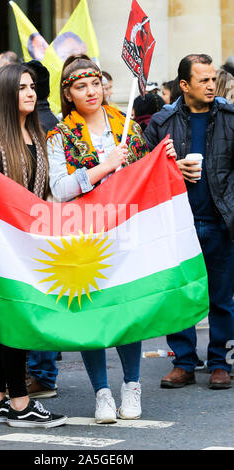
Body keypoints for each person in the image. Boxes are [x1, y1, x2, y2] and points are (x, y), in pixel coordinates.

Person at [46, 54, 176, 423]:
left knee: (126, 310)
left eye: (96, 83)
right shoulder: (59, 136)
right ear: (68, 94)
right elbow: (59, 189)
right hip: (84, 234)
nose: (91, 91)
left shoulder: (127, 126)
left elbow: (147, 173)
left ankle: (131, 386)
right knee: (93, 314)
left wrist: (164, 157)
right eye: (80, 86)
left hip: (125, 232)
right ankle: (101, 393)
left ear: (105, 86)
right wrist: (104, 165)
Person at [0, 64, 67, 428]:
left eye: (32, 87)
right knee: (13, 320)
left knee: (1, 323)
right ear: (7, 95)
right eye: (22, 88)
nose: (31, 92)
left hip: (30, 242)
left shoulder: (37, 135)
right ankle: (21, 404)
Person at [144, 54, 234, 390]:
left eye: (213, 79)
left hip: (220, 221)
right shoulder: (162, 121)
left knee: (221, 298)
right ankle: (182, 362)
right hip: (177, 221)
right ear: (184, 85)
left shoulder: (229, 116)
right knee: (178, 294)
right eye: (203, 80)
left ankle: (219, 363)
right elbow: (142, 167)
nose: (211, 85)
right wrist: (172, 169)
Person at [21, 59, 59, 399]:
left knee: (38, 299)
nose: (27, 93)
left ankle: (42, 374)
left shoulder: (41, 126)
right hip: (40, 223)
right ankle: (41, 372)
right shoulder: (52, 122)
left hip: (37, 223)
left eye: (29, 85)